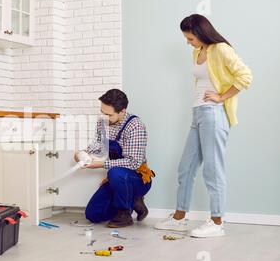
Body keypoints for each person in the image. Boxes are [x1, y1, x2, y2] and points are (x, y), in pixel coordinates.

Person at [155, 14, 253, 237]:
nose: (188, 42)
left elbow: (246, 76)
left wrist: (221, 97)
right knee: (186, 167)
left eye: (190, 38)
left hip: (214, 114)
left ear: (200, 33)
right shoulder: (196, 52)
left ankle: (217, 221)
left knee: (212, 167)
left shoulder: (221, 49)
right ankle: (179, 218)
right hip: (197, 112)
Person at [75, 89, 155, 228]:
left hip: (136, 178)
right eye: (102, 112)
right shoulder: (103, 122)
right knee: (93, 214)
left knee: (115, 172)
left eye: (108, 114)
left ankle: (125, 213)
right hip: (116, 179)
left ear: (122, 111)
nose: (104, 117)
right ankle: (131, 201)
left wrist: (101, 164)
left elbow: (133, 162)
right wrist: (82, 153)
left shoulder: (135, 126)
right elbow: (99, 145)